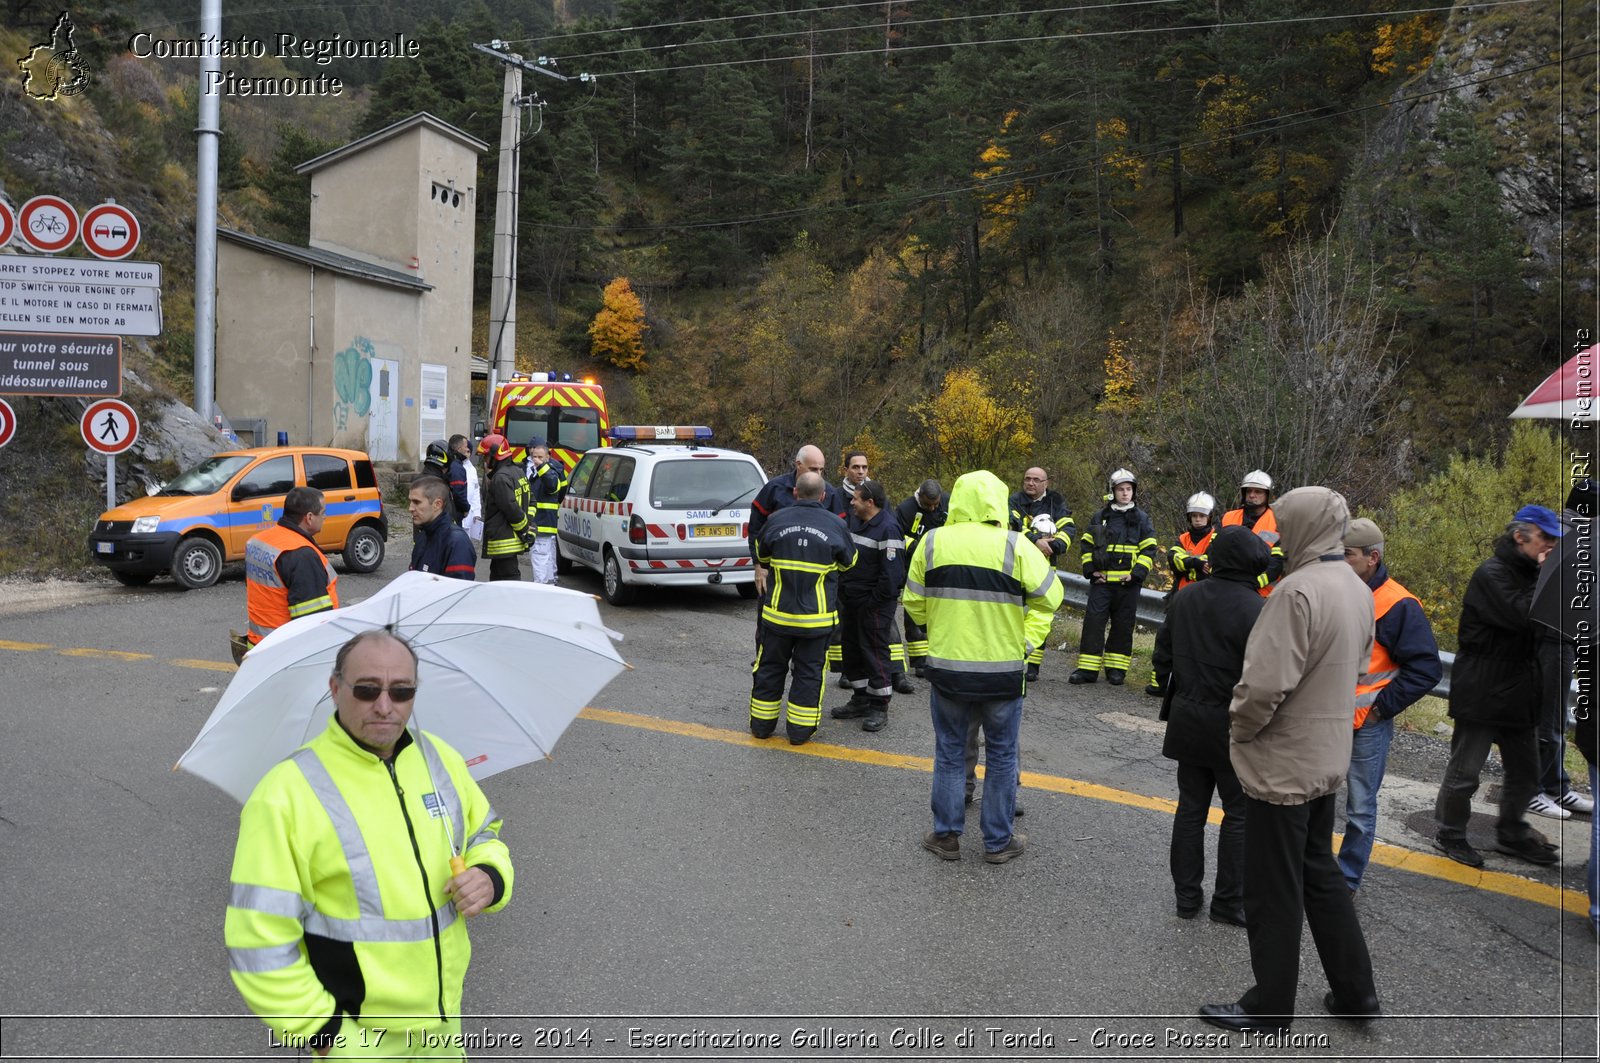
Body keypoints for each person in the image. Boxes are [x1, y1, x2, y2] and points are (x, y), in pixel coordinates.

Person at [225, 630, 513, 1056]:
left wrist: (489, 877)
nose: (384, 705)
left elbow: (482, 833)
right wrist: (326, 1037)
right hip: (359, 1042)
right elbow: (258, 944)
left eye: (401, 691)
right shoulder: (285, 794)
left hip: (444, 1027)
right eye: (366, 690)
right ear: (335, 688)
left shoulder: (440, 760)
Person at [1200, 486, 1379, 1034]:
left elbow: (1262, 688)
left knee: (1271, 887)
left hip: (1283, 762)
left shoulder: (1295, 592)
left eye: (1282, 524)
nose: (1275, 534)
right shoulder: (1355, 586)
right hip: (1327, 755)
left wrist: (1240, 733)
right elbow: (1355, 672)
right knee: (1318, 873)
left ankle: (1270, 1006)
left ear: (1302, 527)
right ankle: (1356, 994)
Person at [906, 470, 1063, 865]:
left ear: (956, 499)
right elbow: (1051, 598)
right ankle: (997, 841)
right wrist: (1025, 641)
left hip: (948, 668)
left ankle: (946, 836)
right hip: (1003, 671)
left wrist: (942, 629)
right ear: (997, 502)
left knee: (950, 751)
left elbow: (913, 603)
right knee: (1003, 755)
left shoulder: (933, 542)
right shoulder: (1016, 546)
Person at [1433, 505, 1564, 869]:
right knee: (1466, 772)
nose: (1551, 546)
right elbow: (1527, 616)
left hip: (1521, 690)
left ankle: (1512, 833)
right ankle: (1451, 832)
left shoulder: (1532, 572)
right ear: (1520, 535)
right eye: (1546, 538)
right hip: (1483, 687)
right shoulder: (1492, 574)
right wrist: (1550, 575)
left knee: (1525, 772)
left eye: (1555, 540)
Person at [1152, 526, 1269, 926]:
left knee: (1190, 809)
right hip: (1235, 723)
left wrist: (1180, 683)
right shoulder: (1258, 609)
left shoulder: (1185, 596)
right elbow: (1266, 676)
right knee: (1238, 813)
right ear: (1254, 563)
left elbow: (1162, 654)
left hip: (1187, 714)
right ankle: (1227, 902)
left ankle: (1187, 898)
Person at [1337, 518, 1442, 893]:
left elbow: (1426, 668)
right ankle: (1316, 875)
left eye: (1346, 555)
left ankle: (1346, 881)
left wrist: (1381, 709)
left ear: (1372, 557)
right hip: (1326, 719)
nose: (1339, 560)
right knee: (1313, 799)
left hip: (1367, 724)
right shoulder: (1338, 588)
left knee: (1360, 810)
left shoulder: (1399, 604)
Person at [750, 472, 856, 746]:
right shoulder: (835, 525)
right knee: (809, 673)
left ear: (795, 493)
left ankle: (761, 726)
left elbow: (762, 555)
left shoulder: (775, 520)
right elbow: (849, 563)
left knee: (770, 669)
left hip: (776, 616)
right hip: (816, 620)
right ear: (823, 496)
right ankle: (799, 731)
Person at [1529, 479, 1597, 820]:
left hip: (1558, 637)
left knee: (1554, 717)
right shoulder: (1574, 539)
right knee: (1550, 718)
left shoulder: (1563, 532)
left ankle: (1556, 787)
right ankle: (1538, 790)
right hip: (1554, 637)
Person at [1069, 469, 1156, 686]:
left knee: (1123, 625)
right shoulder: (1101, 517)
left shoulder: (1142, 519)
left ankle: (1116, 669)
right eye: (1120, 489)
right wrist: (1090, 571)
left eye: (1128, 489)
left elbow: (1149, 550)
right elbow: (1087, 545)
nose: (1125, 493)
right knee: (1094, 623)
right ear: (1113, 492)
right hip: (1102, 582)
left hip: (1128, 584)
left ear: (1133, 492)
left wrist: (1136, 575)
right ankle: (1087, 670)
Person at [831, 480, 905, 733]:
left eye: (856, 499)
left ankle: (879, 706)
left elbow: (892, 576)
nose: (851, 502)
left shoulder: (888, 528)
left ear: (869, 503)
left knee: (874, 654)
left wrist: (872, 603)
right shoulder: (857, 522)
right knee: (852, 652)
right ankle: (860, 698)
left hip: (873, 606)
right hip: (851, 602)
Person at [749, 444, 848, 599]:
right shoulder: (774, 489)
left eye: (822, 470)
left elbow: (842, 536)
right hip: (778, 576)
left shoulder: (829, 493)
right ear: (798, 465)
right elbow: (756, 529)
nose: (819, 474)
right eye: (814, 469)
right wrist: (758, 566)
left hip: (816, 580)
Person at [244, 486, 338, 648]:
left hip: (259, 644)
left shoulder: (259, 540)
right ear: (309, 518)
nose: (325, 517)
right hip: (285, 650)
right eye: (323, 513)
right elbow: (312, 620)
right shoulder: (302, 555)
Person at [1148, 491, 1218, 695]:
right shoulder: (1183, 538)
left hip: (1203, 602)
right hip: (1178, 599)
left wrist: (1188, 563)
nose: (1197, 520)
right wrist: (1196, 562)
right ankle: (1159, 684)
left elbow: (1211, 566)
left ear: (1209, 517)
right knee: (1165, 640)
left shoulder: (1216, 539)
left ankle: (1189, 686)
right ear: (1189, 517)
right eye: (1194, 516)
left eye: (1202, 516)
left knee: (1197, 645)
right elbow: (1173, 560)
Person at [1008, 467, 1074, 680]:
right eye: (1027, 479)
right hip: (1018, 568)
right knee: (1016, 616)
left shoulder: (1056, 501)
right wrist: (1036, 540)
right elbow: (1014, 525)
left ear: (1046, 483)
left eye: (1036, 480)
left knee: (1040, 617)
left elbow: (1068, 528)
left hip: (1045, 569)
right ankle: (1014, 661)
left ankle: (1033, 667)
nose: (1030, 483)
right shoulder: (1015, 500)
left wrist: (1055, 546)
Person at [895, 479, 949, 677]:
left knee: (939, 613)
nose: (933, 508)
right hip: (915, 565)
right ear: (920, 497)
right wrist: (918, 548)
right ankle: (919, 662)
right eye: (929, 505)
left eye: (936, 504)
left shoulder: (946, 502)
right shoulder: (905, 509)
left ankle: (938, 657)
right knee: (914, 613)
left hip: (941, 565)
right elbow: (899, 536)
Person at [1221, 470, 1285, 596]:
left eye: (1258, 491)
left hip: (1262, 594)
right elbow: (1214, 551)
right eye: (1249, 491)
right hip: (1227, 590)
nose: (1252, 495)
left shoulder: (1278, 521)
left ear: (1268, 495)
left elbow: (1278, 561)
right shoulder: (1228, 517)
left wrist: (1253, 583)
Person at [477, 433, 531, 582]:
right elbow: (531, 502)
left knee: (509, 583)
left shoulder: (500, 478)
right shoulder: (518, 472)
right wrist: (529, 526)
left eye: (486, 456)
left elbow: (510, 508)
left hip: (504, 542)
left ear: (496, 455)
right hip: (509, 542)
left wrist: (524, 529)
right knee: (497, 580)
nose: (485, 461)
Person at [408, 477, 477, 581]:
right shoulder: (424, 536)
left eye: (417, 502)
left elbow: (458, 592)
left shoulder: (457, 542)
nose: (410, 508)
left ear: (437, 504)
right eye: (410, 502)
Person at [525, 441, 564, 585]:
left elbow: (552, 484)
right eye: (534, 456)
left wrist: (541, 466)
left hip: (543, 524)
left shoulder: (551, 473)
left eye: (540, 457)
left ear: (548, 457)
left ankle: (540, 589)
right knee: (545, 559)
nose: (536, 460)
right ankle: (548, 585)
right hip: (540, 523)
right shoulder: (536, 473)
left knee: (539, 558)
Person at [453, 435, 484, 544]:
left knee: (466, 542)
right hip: (459, 512)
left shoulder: (472, 470)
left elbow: (476, 491)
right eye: (465, 451)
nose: (467, 453)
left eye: (469, 452)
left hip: (469, 513)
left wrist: (476, 512)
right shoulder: (455, 467)